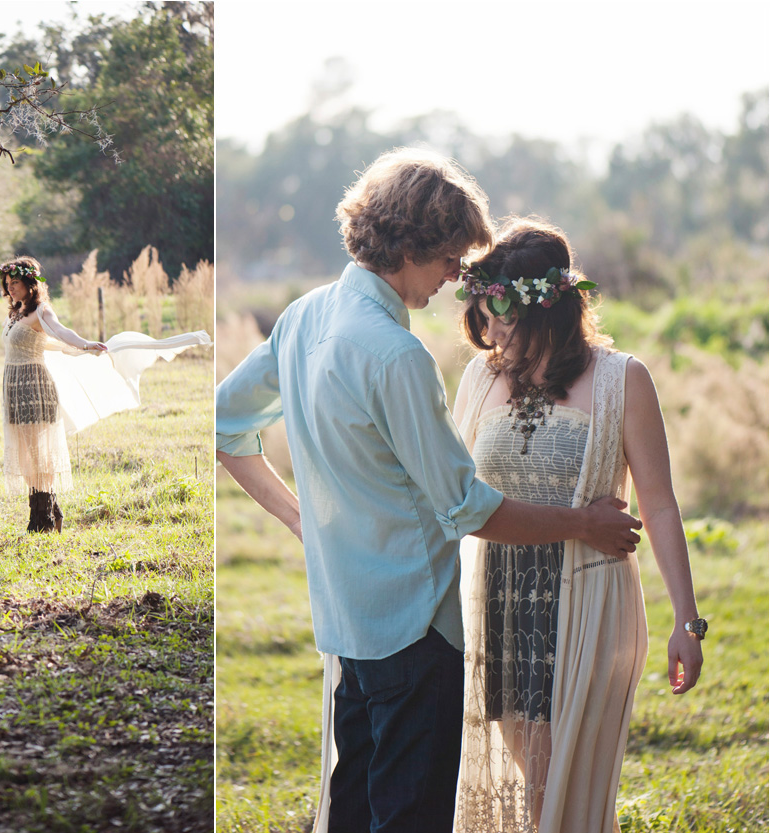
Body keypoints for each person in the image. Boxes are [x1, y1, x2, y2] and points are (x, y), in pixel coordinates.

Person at [214, 148, 643, 833]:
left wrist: (305, 521)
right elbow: (469, 507)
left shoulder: (302, 317)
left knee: (352, 812)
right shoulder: (395, 353)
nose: (454, 277)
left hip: (344, 620)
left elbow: (224, 424)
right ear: (413, 245)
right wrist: (582, 523)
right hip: (416, 628)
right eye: (450, 257)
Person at [451, 218, 704, 832]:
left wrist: (687, 620)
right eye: (484, 317)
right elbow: (452, 498)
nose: (491, 333)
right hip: (501, 605)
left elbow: (661, 505)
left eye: (504, 318)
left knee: (569, 789)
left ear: (550, 311)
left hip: (589, 602)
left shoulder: (623, 379)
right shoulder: (479, 379)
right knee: (541, 792)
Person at [0, 256, 107, 533]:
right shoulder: (16, 313)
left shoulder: (41, 311)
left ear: (31, 284)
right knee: (26, 453)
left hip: (35, 386)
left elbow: (59, 331)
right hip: (13, 387)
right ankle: (51, 511)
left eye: (16, 283)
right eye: (8, 284)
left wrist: (83, 344)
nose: (11, 288)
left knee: (39, 453)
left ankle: (41, 521)